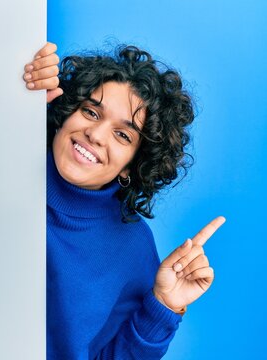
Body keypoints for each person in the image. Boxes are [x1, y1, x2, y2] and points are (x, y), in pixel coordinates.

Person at [23, 42, 225, 359]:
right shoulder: (4, 161)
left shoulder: (132, 247)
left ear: (133, 163)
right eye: (90, 112)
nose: (96, 134)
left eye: (123, 135)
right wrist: (11, 93)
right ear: (66, 112)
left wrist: (163, 306)